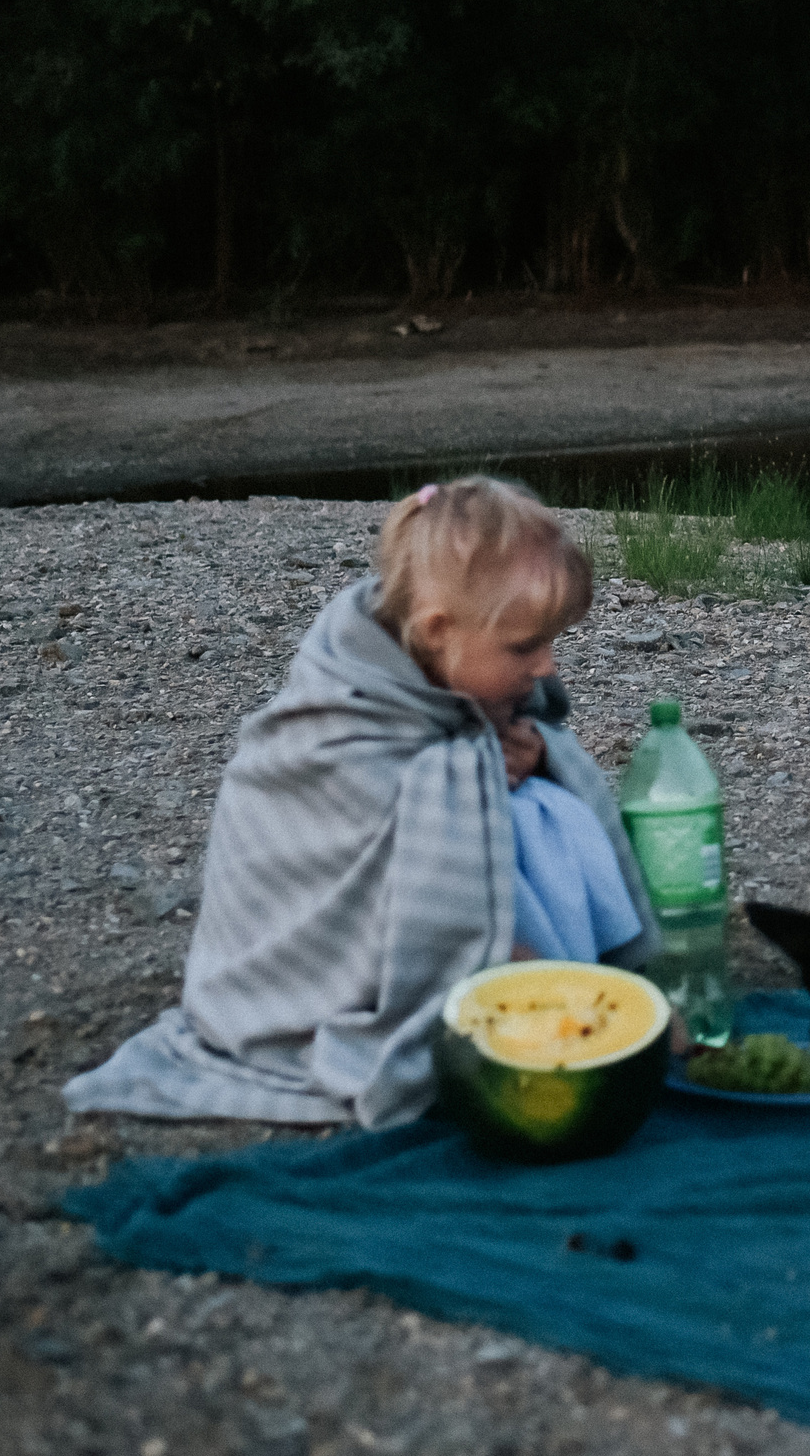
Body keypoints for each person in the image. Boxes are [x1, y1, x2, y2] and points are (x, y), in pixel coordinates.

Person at [65, 477, 661, 1129]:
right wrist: (484, 767)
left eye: (551, 643)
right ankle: (531, 993)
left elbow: (517, 738)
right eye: (525, 648)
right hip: (310, 986)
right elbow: (388, 830)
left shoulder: (453, 669)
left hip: (453, 888)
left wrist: (529, 756)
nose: (547, 668)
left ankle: (563, 988)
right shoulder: (330, 727)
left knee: (550, 811)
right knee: (480, 812)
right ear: (437, 632)